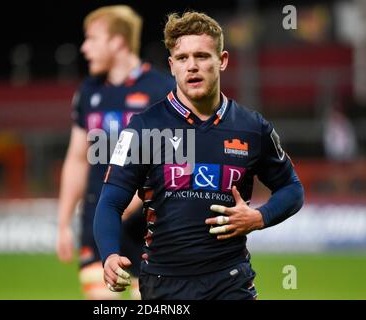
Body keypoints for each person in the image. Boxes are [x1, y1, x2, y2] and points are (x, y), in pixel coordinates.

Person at [94, 11, 304, 300]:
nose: (192, 66)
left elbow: (292, 188)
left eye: (202, 56)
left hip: (231, 280)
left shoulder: (253, 128)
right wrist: (109, 255)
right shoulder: (144, 128)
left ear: (223, 60)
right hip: (163, 284)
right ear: (171, 66)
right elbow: (110, 202)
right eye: (182, 58)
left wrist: (258, 217)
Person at [56, 5, 175, 300]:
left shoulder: (163, 89)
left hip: (150, 223)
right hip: (98, 218)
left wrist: (127, 204)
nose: (84, 48)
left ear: (118, 41)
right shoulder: (88, 91)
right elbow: (76, 158)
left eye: (92, 39)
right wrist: (63, 223)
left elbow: (175, 164)